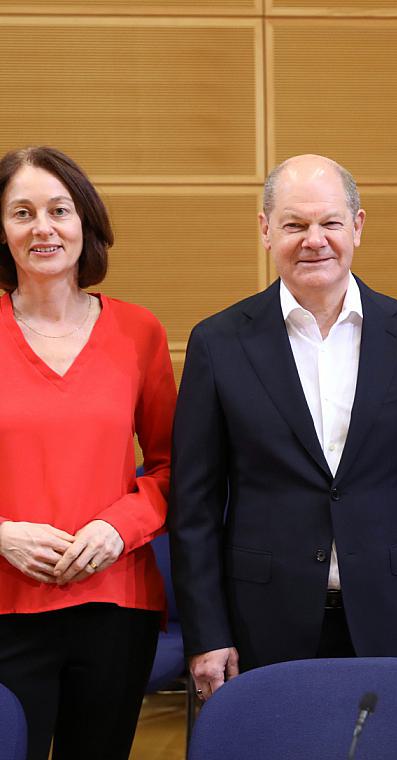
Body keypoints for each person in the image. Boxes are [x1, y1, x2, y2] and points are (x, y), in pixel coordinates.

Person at [169, 154, 397, 701]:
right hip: (262, 620)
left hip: (390, 614)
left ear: (357, 226)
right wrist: (207, 633)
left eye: (330, 222)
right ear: (266, 230)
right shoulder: (218, 343)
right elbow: (195, 508)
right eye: (294, 224)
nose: (314, 240)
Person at [0, 146, 176, 760]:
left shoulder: (139, 332)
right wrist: (2, 533)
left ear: (85, 223)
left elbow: (174, 466)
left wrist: (118, 528)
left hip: (115, 605)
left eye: (59, 210)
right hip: (6, 604)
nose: (43, 228)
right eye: (22, 212)